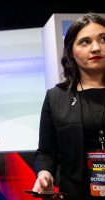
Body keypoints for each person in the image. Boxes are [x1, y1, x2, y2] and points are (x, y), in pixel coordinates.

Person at [32, 13, 105, 199]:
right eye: (85, 42)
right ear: (71, 51)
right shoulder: (56, 97)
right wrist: (44, 174)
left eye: (103, 39)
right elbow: (46, 152)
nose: (96, 48)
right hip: (75, 193)